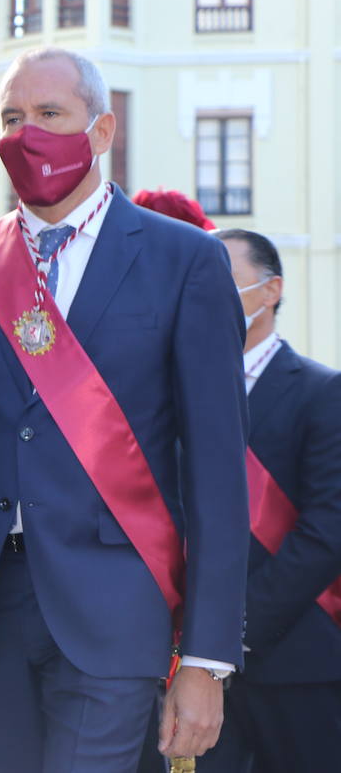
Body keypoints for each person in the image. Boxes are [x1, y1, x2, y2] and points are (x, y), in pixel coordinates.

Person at [0, 46, 251, 772]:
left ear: (100, 132)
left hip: (117, 610)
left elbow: (219, 476)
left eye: (48, 114)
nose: (25, 132)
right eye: (11, 117)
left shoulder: (183, 261)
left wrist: (206, 656)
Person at [195, 230, 341, 772]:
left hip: (295, 659)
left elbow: (328, 530)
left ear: (270, 289)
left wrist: (231, 631)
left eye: (224, 285)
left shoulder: (322, 392)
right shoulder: (178, 395)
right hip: (191, 668)